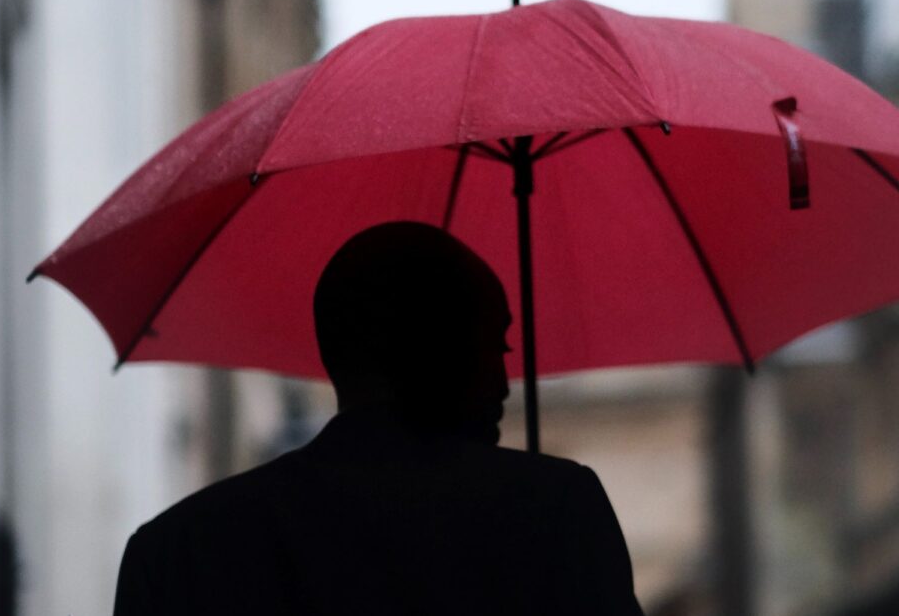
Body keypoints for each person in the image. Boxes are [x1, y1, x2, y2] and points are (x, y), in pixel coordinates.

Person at [113, 221, 643, 615]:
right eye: (490, 346)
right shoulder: (555, 512)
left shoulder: (176, 552)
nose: (504, 385)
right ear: (432, 347)